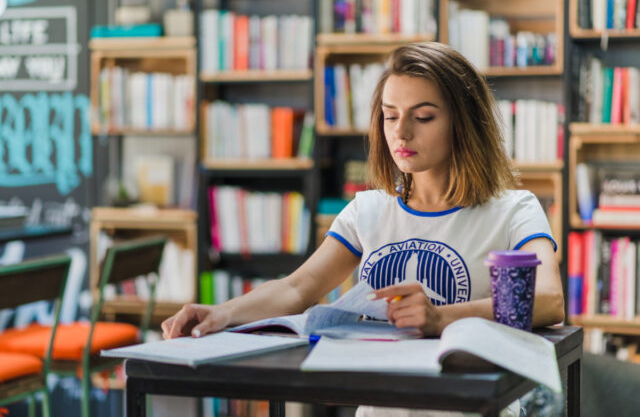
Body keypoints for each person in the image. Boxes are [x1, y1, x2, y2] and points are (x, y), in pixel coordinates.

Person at [162, 42, 565, 415]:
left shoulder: (514, 209)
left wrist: (440, 318)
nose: (400, 132)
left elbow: (548, 300)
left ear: (464, 123)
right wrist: (220, 313)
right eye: (390, 115)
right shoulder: (369, 209)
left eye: (422, 116)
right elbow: (297, 287)